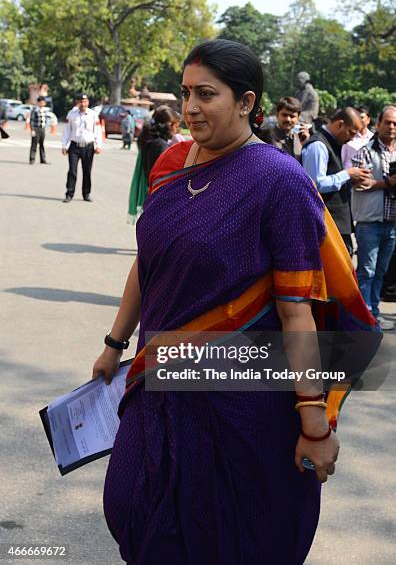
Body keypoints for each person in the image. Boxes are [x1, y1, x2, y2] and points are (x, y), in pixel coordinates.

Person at [92, 39, 379, 564]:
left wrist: (314, 420)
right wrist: (114, 344)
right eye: (185, 94)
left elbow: (297, 311)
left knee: (234, 533)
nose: (191, 107)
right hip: (158, 380)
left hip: (242, 397)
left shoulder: (279, 181)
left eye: (207, 94)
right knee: (133, 507)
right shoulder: (173, 164)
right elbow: (146, 262)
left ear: (246, 102)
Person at [301, 108, 371, 255]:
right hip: (326, 225)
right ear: (340, 124)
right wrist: (347, 174)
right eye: (351, 132)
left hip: (337, 224)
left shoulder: (333, 143)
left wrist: (351, 180)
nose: (352, 138)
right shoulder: (318, 145)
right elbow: (315, 185)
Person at [351, 105, 396, 330]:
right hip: (370, 222)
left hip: (392, 224)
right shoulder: (365, 151)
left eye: (395, 123)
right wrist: (387, 183)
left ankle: (374, 314)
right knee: (366, 272)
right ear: (377, 124)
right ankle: (363, 317)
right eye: (387, 122)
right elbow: (361, 184)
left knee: (381, 272)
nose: (391, 127)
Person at [127, 106, 173, 222]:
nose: (177, 128)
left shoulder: (148, 140)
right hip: (157, 193)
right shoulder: (161, 145)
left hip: (149, 190)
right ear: (167, 124)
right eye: (175, 124)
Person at [61, 93, 102, 202]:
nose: (83, 104)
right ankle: (69, 193)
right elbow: (66, 131)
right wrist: (64, 145)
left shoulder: (93, 115)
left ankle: (86, 193)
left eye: (85, 101)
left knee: (87, 171)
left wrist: (98, 145)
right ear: (77, 103)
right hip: (74, 146)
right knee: (72, 171)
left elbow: (97, 131)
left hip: (88, 146)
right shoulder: (71, 114)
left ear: (88, 102)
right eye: (81, 102)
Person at [258, 96, 310, 161]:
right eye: (284, 115)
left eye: (292, 116)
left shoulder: (299, 138)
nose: (288, 119)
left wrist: (306, 144)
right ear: (277, 115)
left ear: (298, 117)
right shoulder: (267, 138)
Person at [28, 96, 49, 164]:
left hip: (42, 129)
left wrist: (46, 128)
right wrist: (32, 130)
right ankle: (32, 159)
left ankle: (43, 159)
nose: (43, 103)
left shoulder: (45, 110)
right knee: (34, 144)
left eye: (44, 102)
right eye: (42, 102)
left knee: (42, 145)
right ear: (38, 102)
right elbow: (31, 121)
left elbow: (45, 120)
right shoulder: (35, 110)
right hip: (36, 128)